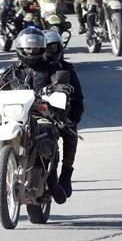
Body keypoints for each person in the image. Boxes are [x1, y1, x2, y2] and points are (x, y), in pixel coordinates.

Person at [0, 28, 65, 205]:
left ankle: (52, 181)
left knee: (48, 133)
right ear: (20, 48)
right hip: (10, 113)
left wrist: (59, 90)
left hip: (38, 111)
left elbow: (60, 84)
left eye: (35, 49)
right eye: (28, 48)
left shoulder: (52, 69)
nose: (31, 52)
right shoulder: (11, 70)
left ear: (42, 48)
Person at [44, 29, 83, 197]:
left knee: (70, 132)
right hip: (25, 113)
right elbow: (2, 83)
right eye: (43, 48)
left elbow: (78, 99)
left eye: (52, 47)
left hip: (57, 115)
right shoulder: (23, 68)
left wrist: (71, 119)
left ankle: (65, 174)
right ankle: (0, 178)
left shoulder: (66, 69)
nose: (47, 52)